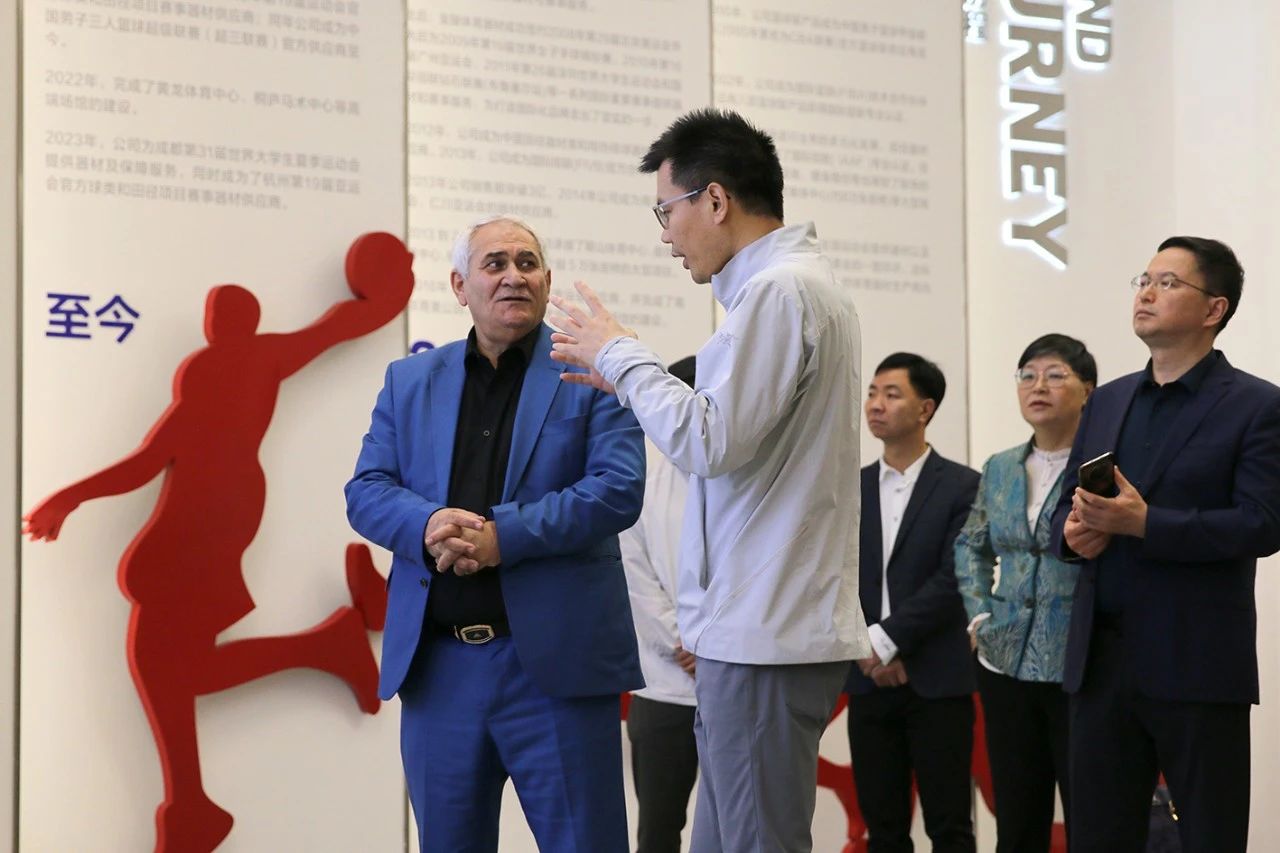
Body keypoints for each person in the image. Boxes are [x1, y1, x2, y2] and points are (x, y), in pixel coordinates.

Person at [22, 232, 411, 853]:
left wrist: (387, 296)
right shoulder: (254, 364)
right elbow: (333, 328)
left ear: (224, 324)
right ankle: (317, 657)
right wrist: (70, 498)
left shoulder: (230, 372)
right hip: (217, 511)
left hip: (206, 518)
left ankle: (194, 802)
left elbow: (145, 462)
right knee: (172, 665)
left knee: (164, 659)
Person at [549, 108, 866, 852]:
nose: (666, 234)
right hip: (756, 630)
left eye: (667, 210)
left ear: (715, 200)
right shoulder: (791, 289)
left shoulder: (780, 292)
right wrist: (631, 380)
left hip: (763, 632)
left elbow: (707, 439)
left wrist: (623, 354)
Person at [344, 215, 645, 853]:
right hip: (440, 670)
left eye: (527, 263)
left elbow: (617, 489)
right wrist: (426, 523)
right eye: (495, 263)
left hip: (557, 670)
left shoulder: (590, 372)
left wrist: (503, 538)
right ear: (460, 286)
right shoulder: (410, 381)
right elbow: (366, 490)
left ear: (547, 281)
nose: (514, 276)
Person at [1050, 237, 1280, 853]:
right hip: (1101, 664)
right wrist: (1073, 534)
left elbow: (1262, 524)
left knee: (1209, 837)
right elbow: (1064, 509)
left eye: (1169, 283)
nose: (1147, 293)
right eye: (1144, 280)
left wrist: (1148, 524)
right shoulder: (1108, 400)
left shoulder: (1258, 405)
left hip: (1197, 661)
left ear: (1214, 309)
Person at [955, 333, 1097, 853]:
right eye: (1028, 375)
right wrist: (979, 617)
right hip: (1004, 660)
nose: (1039, 386)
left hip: (1080, 663)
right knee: (1017, 816)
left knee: (1091, 814)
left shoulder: (1102, 468)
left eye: (1055, 375)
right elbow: (971, 545)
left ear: (1088, 390)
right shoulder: (1001, 467)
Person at [846, 353, 980, 853]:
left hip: (937, 679)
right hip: (866, 679)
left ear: (925, 409)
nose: (875, 405)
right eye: (872, 393)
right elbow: (834, 574)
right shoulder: (851, 487)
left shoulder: (964, 485)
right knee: (882, 829)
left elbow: (954, 577)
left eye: (891, 394)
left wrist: (886, 641)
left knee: (950, 827)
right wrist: (867, 648)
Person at [620, 354, 699, 853]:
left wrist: (716, 645)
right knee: (658, 828)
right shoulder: (642, 484)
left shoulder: (755, 484)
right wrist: (688, 642)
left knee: (742, 826)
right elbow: (636, 579)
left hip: (739, 681)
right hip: (664, 685)